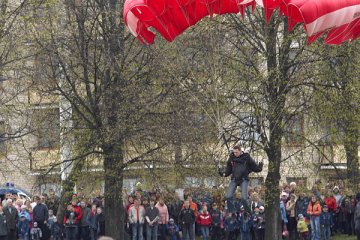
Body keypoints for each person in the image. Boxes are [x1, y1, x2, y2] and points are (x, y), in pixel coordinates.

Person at [219, 145, 263, 212]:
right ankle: (233, 211)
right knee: (228, 197)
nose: (235, 154)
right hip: (234, 179)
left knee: (244, 198)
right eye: (234, 152)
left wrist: (260, 166)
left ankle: (247, 210)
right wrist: (223, 173)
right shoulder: (232, 158)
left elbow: (254, 167)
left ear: (240, 151)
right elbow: (228, 170)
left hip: (243, 179)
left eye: (236, 152)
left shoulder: (246, 157)